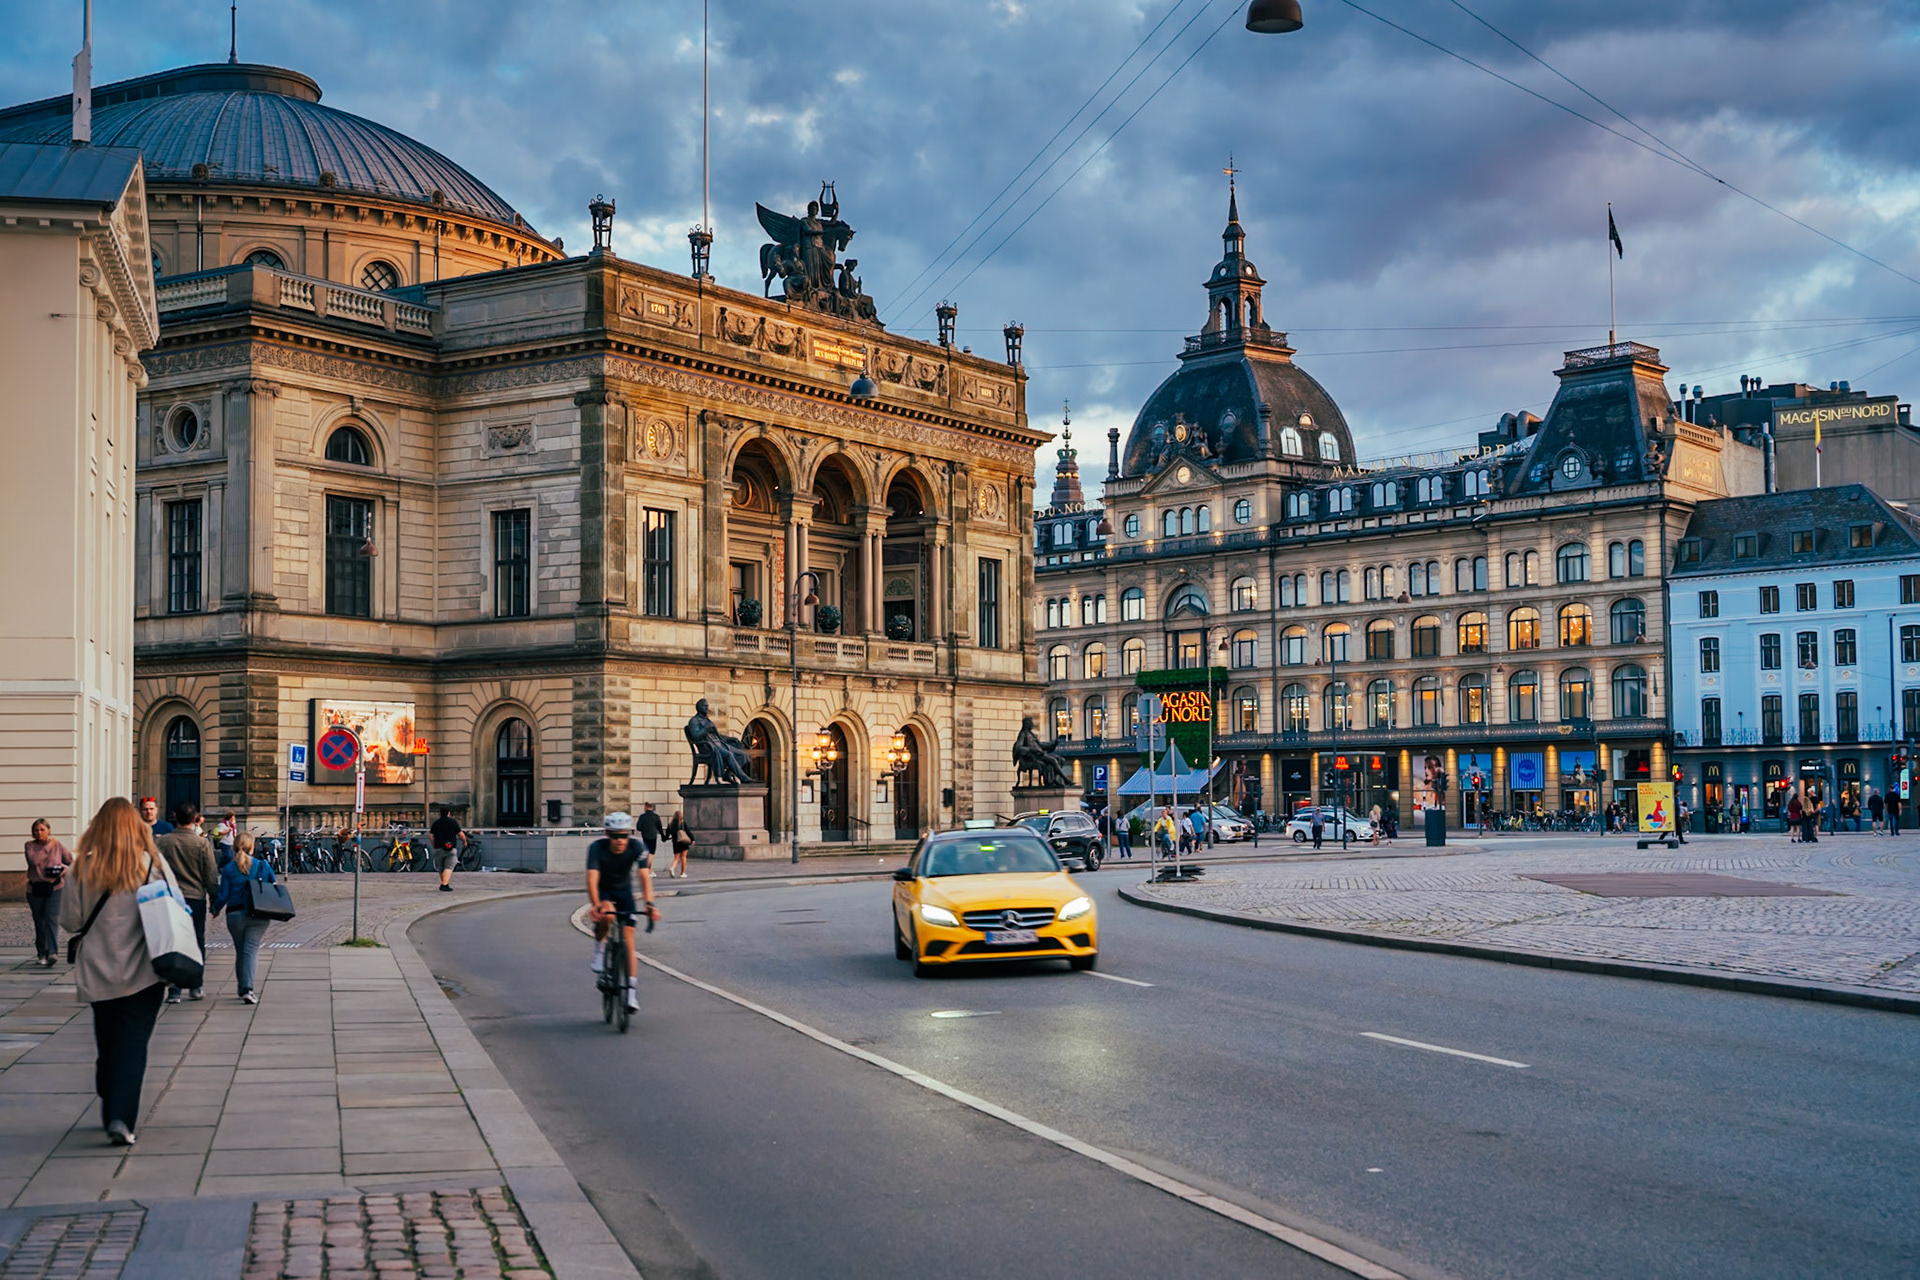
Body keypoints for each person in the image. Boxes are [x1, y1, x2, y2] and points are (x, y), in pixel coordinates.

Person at [61, 797, 181, 1146]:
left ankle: (109, 1099)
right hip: (144, 970)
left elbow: (70, 921)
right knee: (132, 1045)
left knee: (108, 1040)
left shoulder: (82, 867)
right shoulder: (151, 864)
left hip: (98, 968)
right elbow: (176, 906)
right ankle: (120, 1117)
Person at [586, 812, 659, 1012]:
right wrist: (595, 905)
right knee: (607, 914)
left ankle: (631, 996)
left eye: (624, 836)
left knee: (628, 942)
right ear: (608, 835)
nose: (620, 841)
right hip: (604, 891)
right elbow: (591, 879)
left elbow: (644, 876)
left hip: (624, 891)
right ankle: (599, 953)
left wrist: (649, 904)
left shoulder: (637, 847)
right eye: (615, 836)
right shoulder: (596, 848)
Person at [153, 804, 217, 1002]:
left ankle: (174, 989)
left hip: (171, 898)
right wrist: (214, 897)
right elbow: (210, 874)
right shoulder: (202, 844)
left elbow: (155, 871)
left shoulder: (163, 842)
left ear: (175, 817)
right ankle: (196, 985)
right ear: (195, 818)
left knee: (173, 942)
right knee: (197, 941)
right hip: (195, 898)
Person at [211, 833, 278, 1004]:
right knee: (251, 951)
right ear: (252, 847)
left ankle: (242, 987)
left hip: (235, 915)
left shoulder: (228, 869)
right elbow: (273, 884)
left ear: (233, 847)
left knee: (241, 951)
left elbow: (223, 895)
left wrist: (215, 909)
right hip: (258, 913)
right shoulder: (262, 865)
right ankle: (248, 989)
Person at [25, 819, 74, 967]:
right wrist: (48, 846)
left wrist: (64, 869)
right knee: (40, 922)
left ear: (48, 830)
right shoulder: (30, 845)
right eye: (36, 830)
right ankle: (42, 952)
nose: (39, 833)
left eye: (42, 829)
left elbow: (70, 860)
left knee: (51, 919)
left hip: (55, 887)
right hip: (35, 889)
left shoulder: (57, 845)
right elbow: (34, 860)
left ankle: (52, 952)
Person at [428, 806, 465, 893]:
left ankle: (445, 883)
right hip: (450, 848)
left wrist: (434, 844)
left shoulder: (436, 823)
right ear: (449, 813)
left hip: (439, 848)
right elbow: (461, 834)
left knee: (441, 868)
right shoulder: (453, 822)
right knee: (449, 867)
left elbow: (430, 835)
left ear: (439, 813)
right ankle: (444, 884)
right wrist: (464, 841)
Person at [665, 808, 693, 879]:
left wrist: (664, 839)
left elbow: (667, 834)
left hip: (675, 842)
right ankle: (682, 873)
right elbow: (688, 832)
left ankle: (672, 868)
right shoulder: (683, 823)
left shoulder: (670, 824)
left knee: (676, 858)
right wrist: (692, 840)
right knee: (683, 857)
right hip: (683, 842)